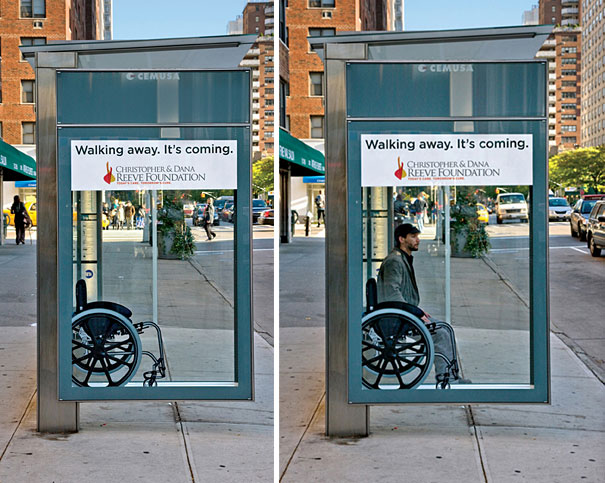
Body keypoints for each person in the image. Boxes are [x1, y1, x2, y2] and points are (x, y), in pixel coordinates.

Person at [377, 223, 469, 387]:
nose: (418, 240)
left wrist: (416, 311)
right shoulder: (394, 261)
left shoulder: (402, 258)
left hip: (404, 315)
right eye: (413, 237)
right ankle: (446, 377)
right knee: (441, 332)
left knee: (445, 328)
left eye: (417, 236)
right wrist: (415, 312)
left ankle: (450, 374)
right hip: (399, 319)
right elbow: (392, 293)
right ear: (401, 239)